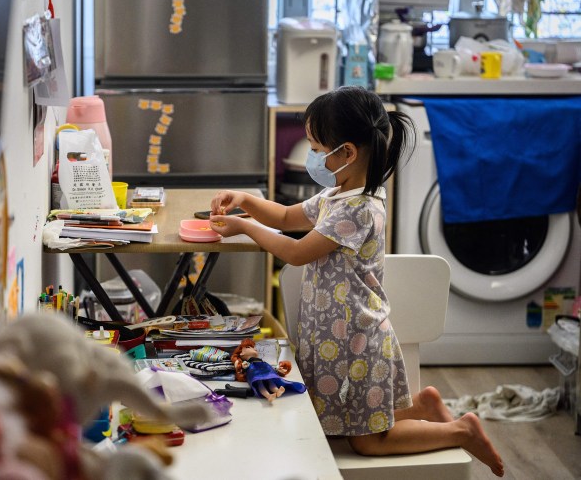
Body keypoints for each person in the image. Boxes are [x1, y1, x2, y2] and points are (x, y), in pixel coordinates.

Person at [209, 86, 504, 477]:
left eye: (316, 147)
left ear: (347, 152)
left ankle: (460, 430)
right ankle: (422, 407)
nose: (312, 155)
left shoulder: (360, 209)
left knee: (366, 442)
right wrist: (245, 199)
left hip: (355, 344)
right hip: (335, 340)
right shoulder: (337, 195)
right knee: (335, 426)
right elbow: (283, 217)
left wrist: (245, 227)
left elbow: (296, 253)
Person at [230, 339, 306, 403]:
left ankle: (277, 391)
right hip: (255, 373)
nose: (254, 349)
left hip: (265, 370)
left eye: (253, 347)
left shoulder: (261, 361)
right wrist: (244, 366)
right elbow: (243, 369)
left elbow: (269, 367)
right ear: (242, 353)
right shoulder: (248, 363)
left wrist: (277, 370)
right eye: (248, 347)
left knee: (271, 381)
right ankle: (268, 396)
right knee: (260, 384)